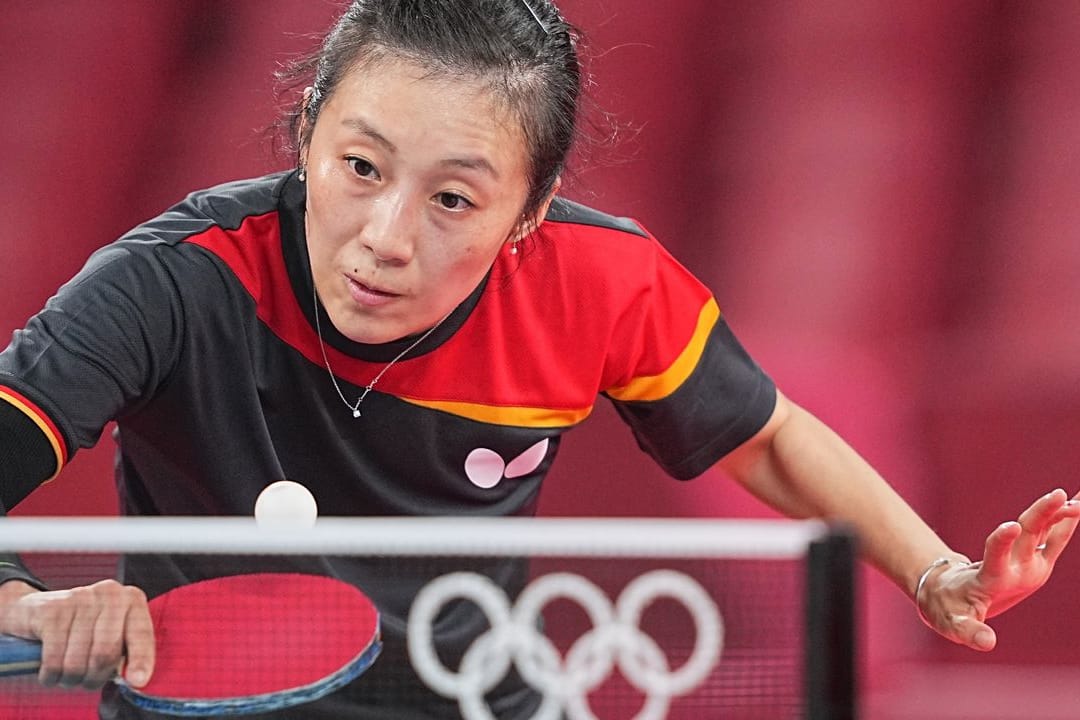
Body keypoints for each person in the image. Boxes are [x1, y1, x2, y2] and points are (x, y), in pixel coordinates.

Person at [0, 0, 1076, 717]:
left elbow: (767, 434)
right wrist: (30, 610)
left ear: (531, 212)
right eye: (360, 166)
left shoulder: (597, 284)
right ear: (308, 133)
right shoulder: (174, 284)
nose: (385, 235)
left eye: (453, 198)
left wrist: (937, 574)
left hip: (479, 698)